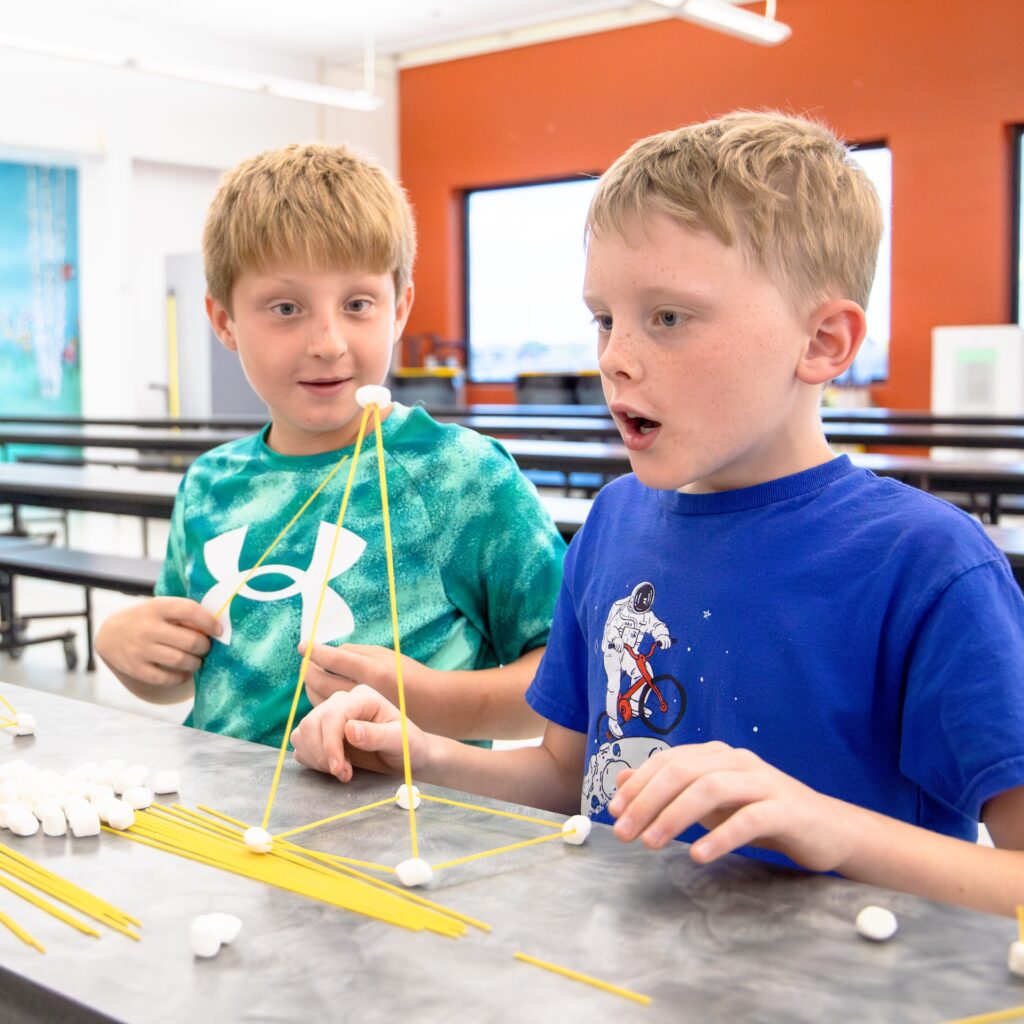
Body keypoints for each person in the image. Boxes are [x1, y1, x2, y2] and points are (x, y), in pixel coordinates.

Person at [289, 112, 1024, 917]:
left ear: (822, 341)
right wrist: (421, 757)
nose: (612, 356)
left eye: (667, 318)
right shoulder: (614, 524)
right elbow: (568, 779)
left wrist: (832, 828)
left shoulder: (927, 567)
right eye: (604, 318)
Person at [95, 143, 566, 748]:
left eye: (358, 305)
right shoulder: (210, 483)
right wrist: (126, 648)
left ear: (399, 310)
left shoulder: (460, 476)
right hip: (226, 821)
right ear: (224, 321)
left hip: (407, 828)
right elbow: (187, 677)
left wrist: (427, 700)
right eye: (286, 307)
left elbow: (566, 685)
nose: (328, 342)